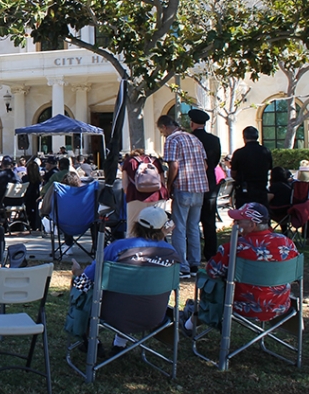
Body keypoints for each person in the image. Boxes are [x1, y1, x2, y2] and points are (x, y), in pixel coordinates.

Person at [69, 206, 182, 350]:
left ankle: (91, 340)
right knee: (137, 291)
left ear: (136, 225)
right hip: (154, 317)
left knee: (80, 285)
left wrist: (77, 271)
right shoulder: (171, 253)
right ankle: (120, 343)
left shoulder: (119, 247)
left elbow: (88, 277)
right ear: (163, 228)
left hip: (112, 314)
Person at [182, 203, 300, 334]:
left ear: (252, 225)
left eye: (238, 221)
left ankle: (189, 325)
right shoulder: (287, 243)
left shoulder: (234, 248)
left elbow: (213, 271)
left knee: (210, 283)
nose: (234, 224)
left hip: (241, 306)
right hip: (279, 305)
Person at [156, 114, 208, 279]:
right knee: (193, 227)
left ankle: (182, 265)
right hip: (199, 188)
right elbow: (205, 165)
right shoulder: (194, 139)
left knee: (178, 227)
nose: (163, 134)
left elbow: (174, 165)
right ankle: (195, 263)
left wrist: (169, 184)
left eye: (161, 131)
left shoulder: (172, 140)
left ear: (164, 127)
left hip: (183, 187)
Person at [188, 108, 223, 261]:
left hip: (192, 181)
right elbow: (215, 161)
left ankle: (192, 252)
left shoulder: (189, 139)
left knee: (191, 221)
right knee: (209, 220)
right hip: (209, 182)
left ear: (192, 123)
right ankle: (210, 252)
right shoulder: (214, 140)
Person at [120, 148, 168, 232]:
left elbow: (125, 185)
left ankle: (133, 244)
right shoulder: (155, 161)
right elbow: (162, 182)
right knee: (157, 227)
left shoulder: (129, 162)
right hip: (157, 197)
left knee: (132, 227)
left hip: (135, 197)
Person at [229, 126, 273, 207]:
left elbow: (233, 172)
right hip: (261, 188)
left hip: (244, 189)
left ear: (244, 137)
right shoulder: (266, 151)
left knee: (244, 214)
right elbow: (269, 168)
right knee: (260, 214)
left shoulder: (239, 153)